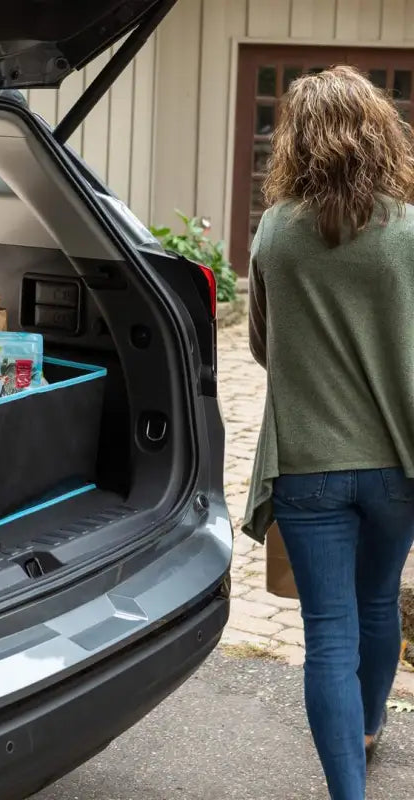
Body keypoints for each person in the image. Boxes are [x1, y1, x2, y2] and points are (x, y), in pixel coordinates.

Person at [242, 65, 414, 800]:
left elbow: (258, 344)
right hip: (397, 464)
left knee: (329, 633)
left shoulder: (276, 232)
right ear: (378, 132)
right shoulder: (407, 231)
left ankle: (350, 788)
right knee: (379, 604)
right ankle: (370, 724)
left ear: (299, 141)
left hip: (307, 464)